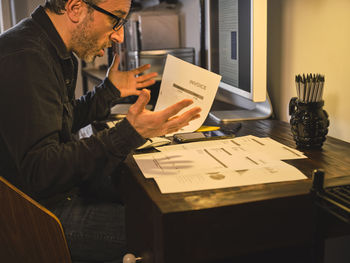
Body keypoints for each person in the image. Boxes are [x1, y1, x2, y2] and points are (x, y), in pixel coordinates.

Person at [0, 0, 201, 262]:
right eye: (115, 19)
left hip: (49, 198)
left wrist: (108, 93)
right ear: (75, 9)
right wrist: (128, 132)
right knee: (170, 231)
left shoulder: (47, 47)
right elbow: (41, 170)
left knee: (147, 200)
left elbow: (57, 123)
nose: (118, 35)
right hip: (38, 218)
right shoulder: (26, 56)